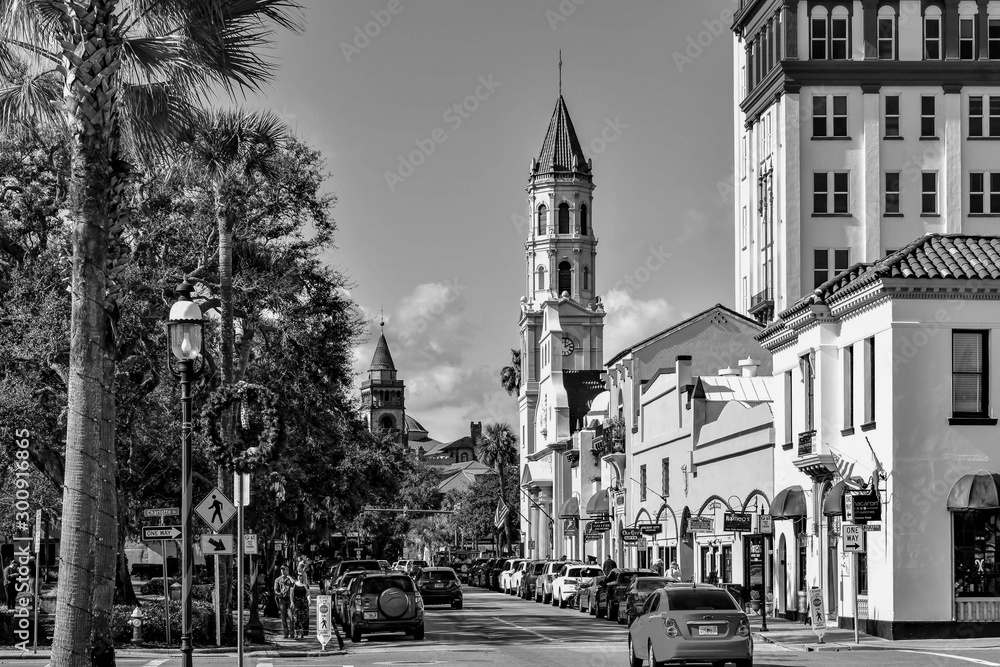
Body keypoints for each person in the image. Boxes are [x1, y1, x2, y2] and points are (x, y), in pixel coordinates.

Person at [273, 565, 295, 638]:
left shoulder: (290, 579)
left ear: (287, 570)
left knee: (291, 617)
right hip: (282, 600)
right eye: (281, 569)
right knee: (283, 617)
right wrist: (279, 594)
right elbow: (275, 590)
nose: (282, 571)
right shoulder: (278, 580)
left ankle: (292, 633)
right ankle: (285, 633)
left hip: (290, 599)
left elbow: (294, 584)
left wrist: (290, 577)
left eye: (284, 569)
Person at [291, 572, 310, 638]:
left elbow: (308, 594)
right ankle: (296, 633)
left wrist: (309, 600)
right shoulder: (294, 584)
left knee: (303, 618)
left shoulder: (305, 585)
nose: (299, 576)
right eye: (298, 575)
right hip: (296, 602)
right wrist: (292, 602)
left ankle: (302, 631)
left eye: (301, 575)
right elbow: (291, 594)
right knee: (296, 618)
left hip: (304, 602)